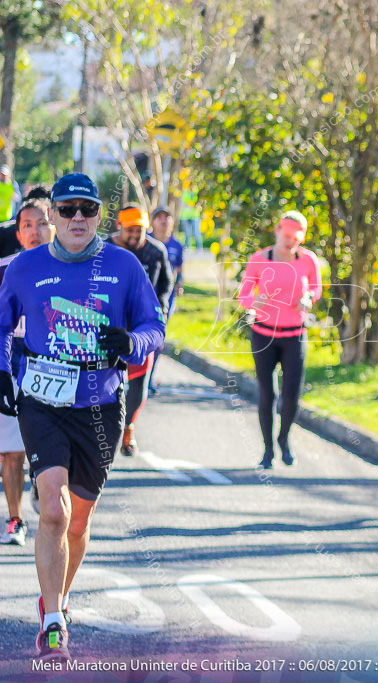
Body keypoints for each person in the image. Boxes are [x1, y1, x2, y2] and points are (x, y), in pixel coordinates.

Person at [0, 172, 164, 661]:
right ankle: (53, 623)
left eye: (86, 210)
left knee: (78, 519)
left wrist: (132, 344)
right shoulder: (24, 267)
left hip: (99, 402)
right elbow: (3, 325)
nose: (76, 218)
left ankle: (59, 597)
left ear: (99, 216)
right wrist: (3, 372)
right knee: (52, 508)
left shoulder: (125, 266)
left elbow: (153, 325)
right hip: (43, 399)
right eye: (66, 208)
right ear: (50, 214)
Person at [237, 210, 322, 469]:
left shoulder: (308, 260)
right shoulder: (259, 260)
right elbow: (243, 296)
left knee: (292, 397)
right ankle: (268, 450)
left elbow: (316, 288)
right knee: (268, 394)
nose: (290, 242)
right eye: (286, 236)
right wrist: (255, 301)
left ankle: (284, 439)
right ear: (277, 230)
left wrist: (308, 299)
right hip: (264, 334)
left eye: (295, 238)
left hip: (294, 335)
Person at [0, 198, 55, 546]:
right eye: (27, 226)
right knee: (10, 451)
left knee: (49, 446)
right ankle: (15, 519)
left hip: (51, 366)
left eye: (41, 224)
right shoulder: (5, 268)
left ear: (54, 227)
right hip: (11, 362)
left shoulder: (70, 269)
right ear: (19, 234)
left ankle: (41, 482)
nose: (34, 232)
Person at [105, 204, 173, 457]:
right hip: (109, 327)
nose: (135, 236)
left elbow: (165, 285)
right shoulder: (104, 248)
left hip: (142, 330)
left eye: (140, 231)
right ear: (119, 227)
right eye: (130, 231)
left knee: (138, 383)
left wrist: (162, 310)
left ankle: (128, 425)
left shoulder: (156, 252)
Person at [148, 206, 184, 394]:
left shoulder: (176, 246)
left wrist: (179, 284)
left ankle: (149, 377)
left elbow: (178, 270)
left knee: (157, 339)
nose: (163, 221)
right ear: (152, 221)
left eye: (167, 217)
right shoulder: (144, 241)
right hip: (144, 296)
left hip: (165, 300)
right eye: (159, 217)